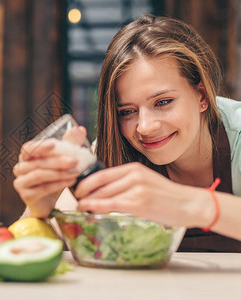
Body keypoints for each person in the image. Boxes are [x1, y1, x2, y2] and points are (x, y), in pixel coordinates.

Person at [12, 14, 241, 252]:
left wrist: (191, 205)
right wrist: (40, 208)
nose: (144, 127)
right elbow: (32, 251)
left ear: (202, 96)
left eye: (163, 102)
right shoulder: (110, 150)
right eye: (127, 111)